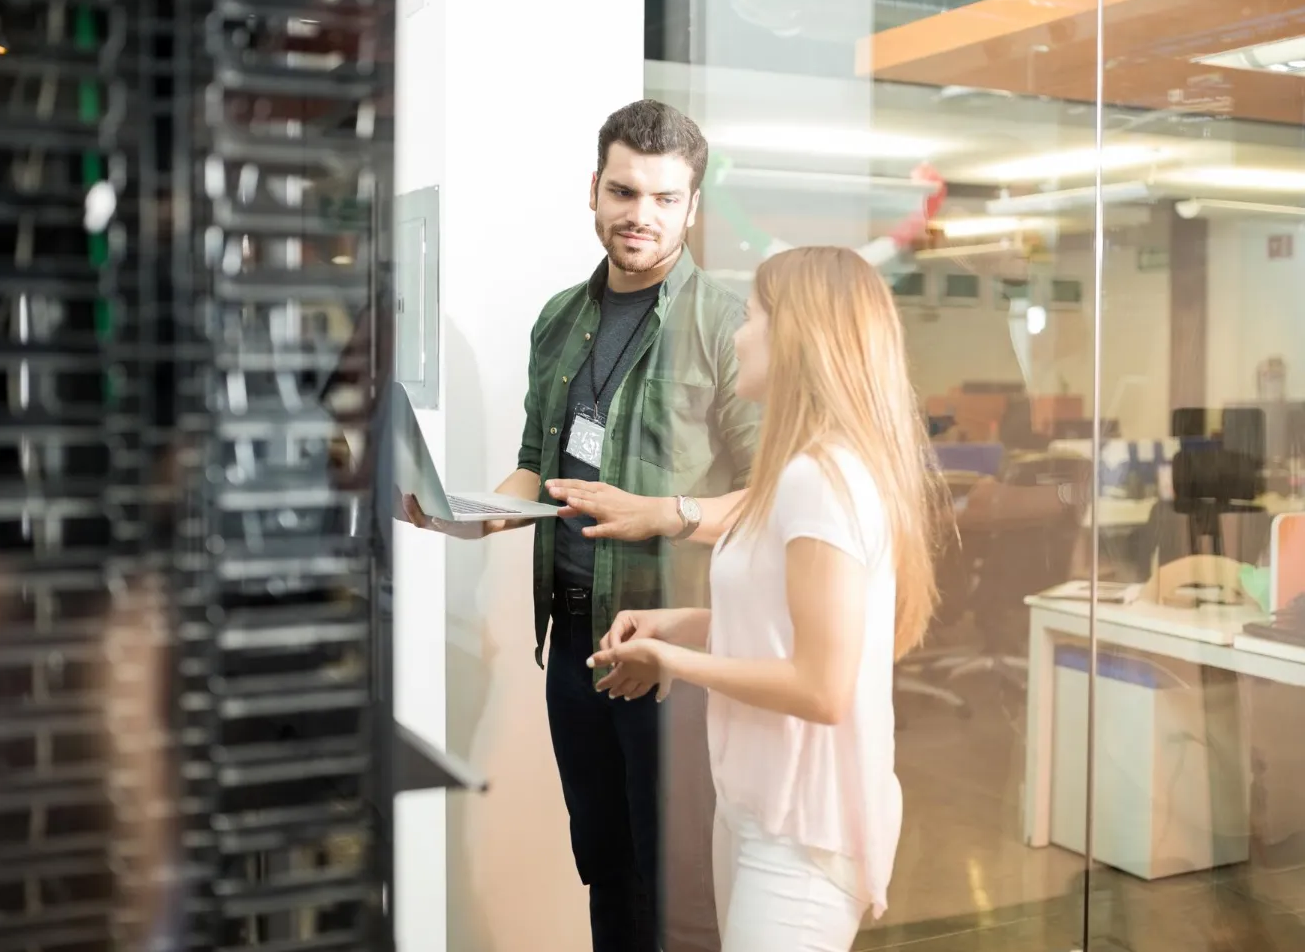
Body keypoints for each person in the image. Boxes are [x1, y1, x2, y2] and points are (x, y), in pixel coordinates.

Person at [404, 99, 759, 952]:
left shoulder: (727, 326)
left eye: (665, 198)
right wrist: (473, 517)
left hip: (673, 648)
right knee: (604, 861)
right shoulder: (560, 318)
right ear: (593, 190)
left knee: (679, 885)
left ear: (692, 208)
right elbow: (538, 462)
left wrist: (666, 514)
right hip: (573, 640)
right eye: (625, 191)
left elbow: (769, 492)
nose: (641, 215)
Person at [587, 246, 950, 951]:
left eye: (751, 317)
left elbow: (821, 686)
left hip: (803, 832)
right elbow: (786, 627)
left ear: (795, 337)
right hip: (755, 806)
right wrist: (684, 626)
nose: (737, 335)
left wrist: (674, 660)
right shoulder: (799, 474)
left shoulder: (823, 480)